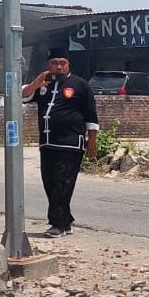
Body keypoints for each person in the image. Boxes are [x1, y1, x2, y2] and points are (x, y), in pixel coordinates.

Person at [21, 47, 99, 238]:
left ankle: (58, 224)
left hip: (70, 143)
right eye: (54, 63)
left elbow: (91, 114)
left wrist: (92, 142)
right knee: (49, 182)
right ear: (48, 65)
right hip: (47, 142)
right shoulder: (43, 85)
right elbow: (22, 96)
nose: (59, 67)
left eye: (62, 63)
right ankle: (66, 219)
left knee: (63, 184)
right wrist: (36, 83)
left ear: (68, 64)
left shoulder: (80, 84)